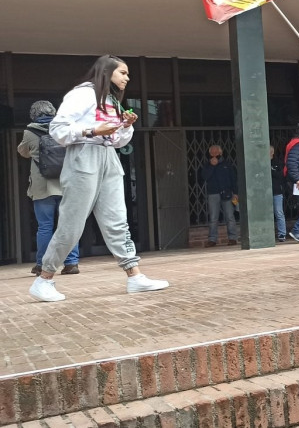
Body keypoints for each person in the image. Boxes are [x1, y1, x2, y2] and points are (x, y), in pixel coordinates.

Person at [29, 55, 170, 302]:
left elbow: (117, 141)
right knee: (72, 223)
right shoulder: (82, 94)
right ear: (107, 72)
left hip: (108, 158)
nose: (127, 77)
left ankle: (134, 276)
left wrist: (125, 126)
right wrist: (92, 130)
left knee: (117, 220)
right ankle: (44, 279)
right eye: (123, 72)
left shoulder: (111, 100)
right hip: (83, 157)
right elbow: (58, 129)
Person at [18, 100, 81, 276]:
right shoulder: (62, 128)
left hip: (42, 187)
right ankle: (71, 263)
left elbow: (23, 152)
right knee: (68, 224)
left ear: (33, 115)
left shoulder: (29, 132)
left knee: (45, 226)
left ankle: (41, 264)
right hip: (66, 183)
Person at [199, 145, 239, 247]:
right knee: (213, 217)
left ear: (220, 153)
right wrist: (212, 166)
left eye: (216, 153)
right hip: (213, 193)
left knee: (229, 216)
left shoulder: (227, 164)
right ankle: (212, 239)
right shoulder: (207, 165)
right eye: (212, 153)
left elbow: (233, 179)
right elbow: (204, 177)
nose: (214, 155)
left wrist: (235, 193)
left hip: (227, 193)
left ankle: (232, 238)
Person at [270, 145, 288, 243]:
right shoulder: (261, 162)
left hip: (277, 191)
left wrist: (271, 170)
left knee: (278, 212)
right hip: (264, 192)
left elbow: (281, 175)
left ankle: (282, 233)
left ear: (272, 152)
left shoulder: (278, 163)